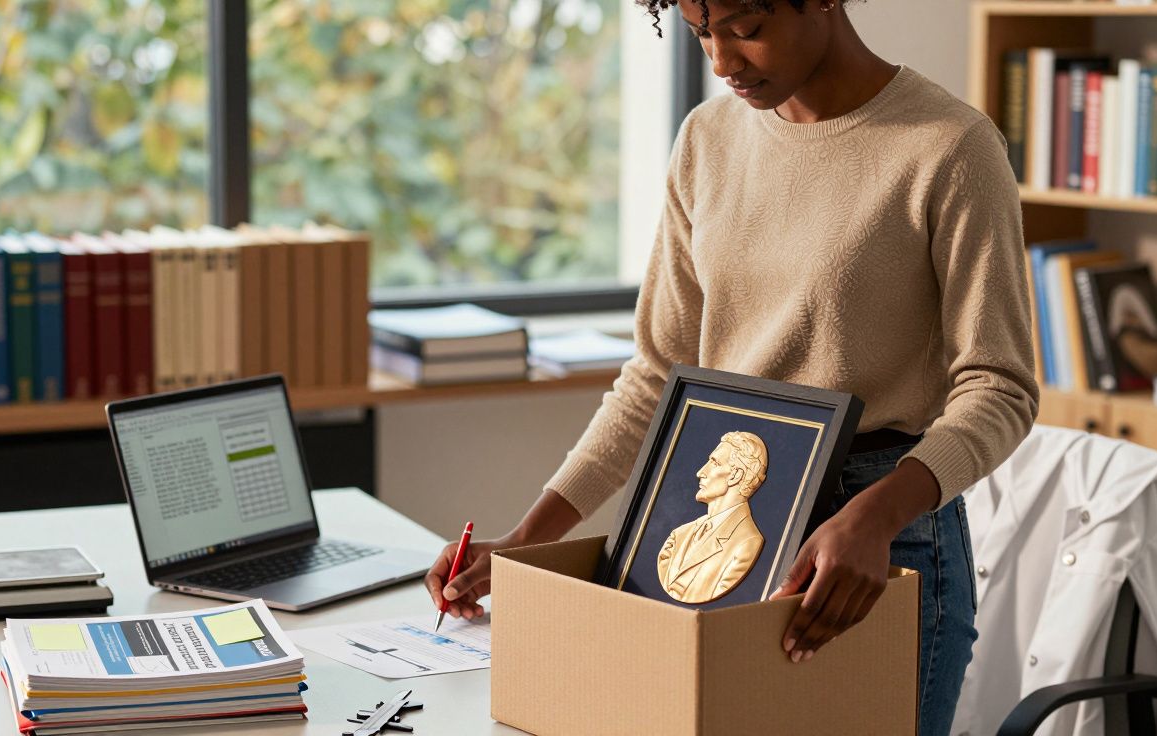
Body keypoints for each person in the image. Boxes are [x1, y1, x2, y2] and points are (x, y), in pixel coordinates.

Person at [424, 1, 1038, 733]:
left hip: (874, 537)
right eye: (700, 32)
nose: (721, 61)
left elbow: (1000, 386)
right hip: (705, 518)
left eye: (745, 28)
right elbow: (656, 375)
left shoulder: (951, 147)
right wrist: (529, 539)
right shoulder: (706, 139)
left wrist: (873, 517)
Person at [657, 431, 768, 603]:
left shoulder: (747, 543)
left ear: (736, 475)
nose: (700, 472)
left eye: (714, 463)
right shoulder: (679, 534)